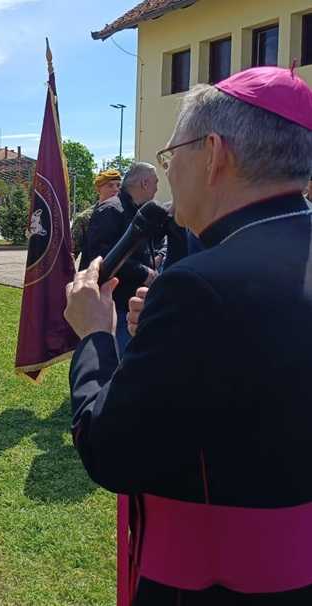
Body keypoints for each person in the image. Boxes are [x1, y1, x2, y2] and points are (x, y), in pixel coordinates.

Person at [65, 66, 312, 605]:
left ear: (215, 153)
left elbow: (110, 451)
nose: (170, 174)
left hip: (217, 583)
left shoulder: (198, 288)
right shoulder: (201, 289)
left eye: (173, 156)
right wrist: (168, 332)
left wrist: (95, 337)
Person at [79, 163, 159, 351]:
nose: (157, 189)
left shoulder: (136, 210)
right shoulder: (111, 210)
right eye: (156, 183)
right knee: (114, 366)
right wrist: (144, 272)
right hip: (115, 307)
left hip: (131, 306)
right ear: (145, 183)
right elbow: (102, 259)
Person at [71, 169, 121, 261]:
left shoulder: (123, 214)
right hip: (91, 272)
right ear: (98, 189)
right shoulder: (85, 218)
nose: (116, 189)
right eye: (110, 185)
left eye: (118, 185)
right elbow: (72, 253)